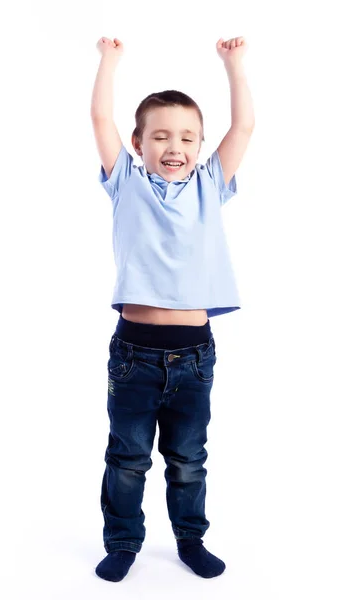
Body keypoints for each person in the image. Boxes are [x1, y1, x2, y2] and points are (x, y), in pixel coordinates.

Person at [90, 36, 254, 582]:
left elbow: (245, 128)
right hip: (134, 353)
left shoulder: (211, 184)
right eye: (160, 135)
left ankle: (190, 539)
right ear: (138, 143)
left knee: (188, 460)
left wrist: (233, 65)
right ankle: (123, 543)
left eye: (187, 137)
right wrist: (109, 60)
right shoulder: (127, 184)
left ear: (201, 145)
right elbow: (99, 118)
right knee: (128, 458)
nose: (174, 146)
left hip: (194, 355)